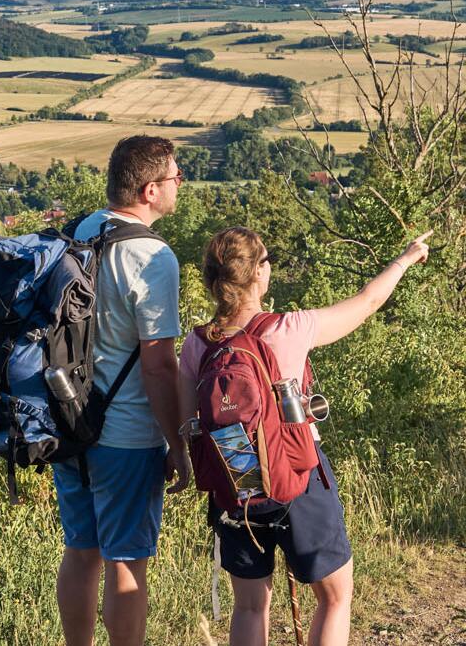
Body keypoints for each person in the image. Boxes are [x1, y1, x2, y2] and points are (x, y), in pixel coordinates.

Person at [179, 226, 433, 646]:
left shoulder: (198, 344)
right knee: (335, 596)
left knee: (248, 606)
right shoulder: (288, 329)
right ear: (260, 274)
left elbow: (189, 419)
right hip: (298, 478)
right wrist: (404, 260)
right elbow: (368, 301)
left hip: (234, 483)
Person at [55, 135, 194, 646]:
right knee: (127, 562)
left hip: (68, 422)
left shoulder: (81, 230)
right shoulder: (153, 257)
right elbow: (158, 366)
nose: (182, 184)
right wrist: (177, 444)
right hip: (127, 433)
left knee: (81, 552)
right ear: (150, 189)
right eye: (177, 177)